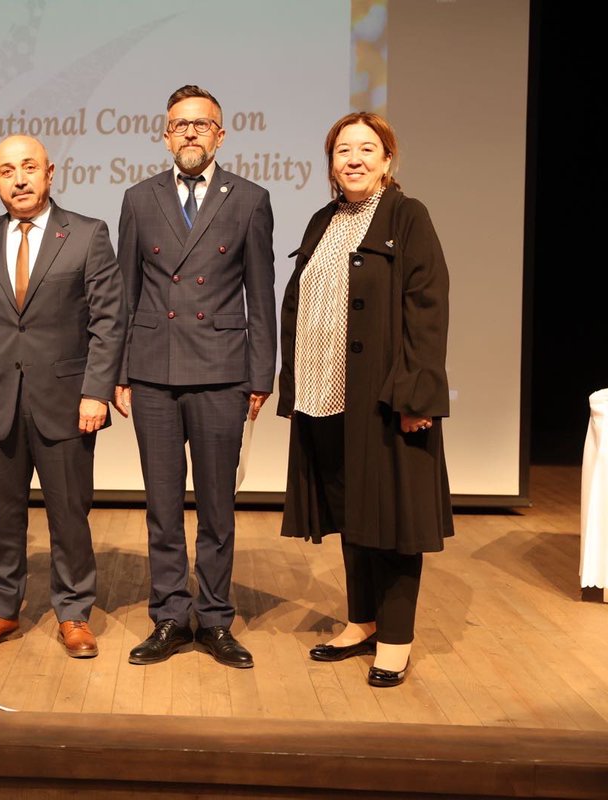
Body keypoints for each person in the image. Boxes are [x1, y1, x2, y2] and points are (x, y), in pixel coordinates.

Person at [278, 111, 453, 688]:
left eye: (365, 149)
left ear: (387, 160)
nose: (352, 159)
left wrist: (417, 393)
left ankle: (396, 640)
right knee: (353, 513)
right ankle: (362, 621)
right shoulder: (323, 220)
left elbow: (426, 309)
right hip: (326, 394)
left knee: (395, 518)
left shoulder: (408, 216)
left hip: (387, 399)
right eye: (342, 150)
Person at [0, 135, 126, 658]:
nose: (19, 178)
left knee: (70, 513)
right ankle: (2, 609)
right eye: (7, 170)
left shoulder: (88, 234)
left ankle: (73, 612)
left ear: (50, 173)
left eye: (29, 168)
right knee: (2, 514)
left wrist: (96, 391)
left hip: (69, 401)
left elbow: (109, 322)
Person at [116, 85, 276, 669]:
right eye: (179, 125)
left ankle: (213, 619)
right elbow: (124, 293)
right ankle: (167, 617)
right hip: (154, 371)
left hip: (221, 372)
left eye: (201, 124)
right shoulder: (139, 199)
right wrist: (118, 372)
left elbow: (262, 294)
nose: (190, 133)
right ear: (165, 135)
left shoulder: (251, 198)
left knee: (216, 506)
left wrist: (262, 373)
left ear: (220, 134)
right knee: (162, 504)